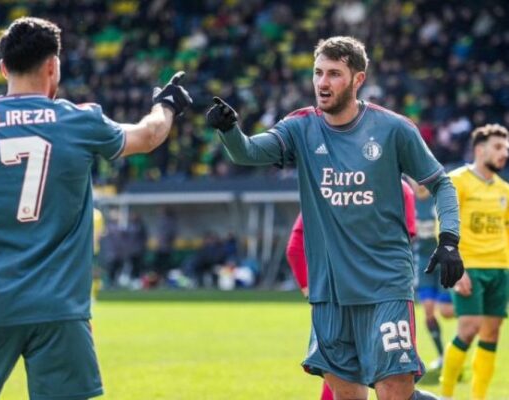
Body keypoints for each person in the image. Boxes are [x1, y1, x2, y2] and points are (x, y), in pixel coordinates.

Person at [0, 17, 192, 400]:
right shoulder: (80, 121)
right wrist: (166, 105)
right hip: (62, 311)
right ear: (53, 66)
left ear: (3, 67)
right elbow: (148, 135)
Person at [208, 36, 463, 400]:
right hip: (330, 291)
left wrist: (449, 239)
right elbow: (247, 153)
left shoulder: (392, 129)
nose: (323, 83)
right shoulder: (300, 127)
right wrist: (229, 130)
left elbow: (441, 183)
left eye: (334, 74)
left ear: (358, 79)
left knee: (394, 392)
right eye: (317, 73)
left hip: (384, 283)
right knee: (345, 394)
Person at [286, 180, 416, 400]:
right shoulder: (400, 188)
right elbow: (403, 243)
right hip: (384, 296)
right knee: (394, 380)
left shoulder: (327, 185)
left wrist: (311, 289)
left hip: (336, 297)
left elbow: (294, 247)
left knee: (341, 376)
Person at [439, 124, 509, 400]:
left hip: (500, 269)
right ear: (480, 150)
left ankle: (478, 397)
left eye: (506, 148)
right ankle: (445, 394)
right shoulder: (457, 181)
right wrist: (456, 266)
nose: (504, 153)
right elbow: (445, 224)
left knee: (491, 334)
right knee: (468, 329)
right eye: (498, 147)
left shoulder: (505, 189)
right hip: (470, 267)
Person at [410, 181, 455, 371]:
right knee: (428, 310)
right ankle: (443, 356)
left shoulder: (437, 201)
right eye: (414, 179)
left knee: (446, 312)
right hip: (422, 263)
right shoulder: (407, 202)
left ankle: (473, 315)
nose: (419, 183)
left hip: (442, 262)